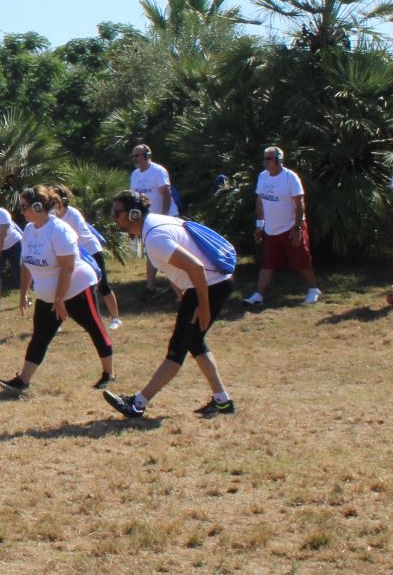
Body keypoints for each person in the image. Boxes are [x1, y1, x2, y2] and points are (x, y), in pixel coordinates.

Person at [103, 190, 238, 419]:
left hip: (208, 286)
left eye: (117, 213)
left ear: (134, 214)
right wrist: (186, 296)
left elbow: (196, 267)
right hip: (207, 286)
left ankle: (137, 404)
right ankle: (222, 401)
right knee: (194, 342)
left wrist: (203, 305)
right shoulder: (154, 227)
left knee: (177, 349)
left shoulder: (155, 237)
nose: (113, 217)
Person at [0, 186, 114, 396]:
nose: (21, 212)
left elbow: (67, 267)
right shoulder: (30, 230)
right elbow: (26, 264)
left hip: (76, 288)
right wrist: (24, 293)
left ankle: (108, 374)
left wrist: (60, 299)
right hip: (48, 294)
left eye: (24, 207)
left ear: (38, 207)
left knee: (94, 328)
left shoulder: (59, 230)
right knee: (40, 336)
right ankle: (23, 380)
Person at [245, 146, 321, 306]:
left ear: (279, 160)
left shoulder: (289, 177)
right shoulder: (262, 177)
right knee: (268, 263)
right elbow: (260, 202)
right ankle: (258, 295)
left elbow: (299, 203)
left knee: (301, 260)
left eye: (269, 159)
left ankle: (313, 289)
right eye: (264, 158)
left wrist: (298, 227)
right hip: (271, 229)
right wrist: (260, 225)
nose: (265, 162)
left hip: (290, 227)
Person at [54, 185, 122, 330]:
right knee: (64, 286)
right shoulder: (52, 216)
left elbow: (75, 236)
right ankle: (59, 322)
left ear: (63, 200)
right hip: (74, 254)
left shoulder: (73, 214)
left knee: (103, 285)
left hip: (90, 251)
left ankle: (115, 318)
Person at [129, 144, 178, 291]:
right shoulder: (135, 174)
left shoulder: (158, 171)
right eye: (133, 156)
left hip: (165, 217)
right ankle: (150, 286)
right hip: (148, 221)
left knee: (170, 251)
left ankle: (176, 282)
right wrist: (133, 222)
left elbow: (166, 194)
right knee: (151, 251)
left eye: (137, 155)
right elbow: (134, 199)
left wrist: (163, 216)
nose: (135, 158)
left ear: (147, 156)